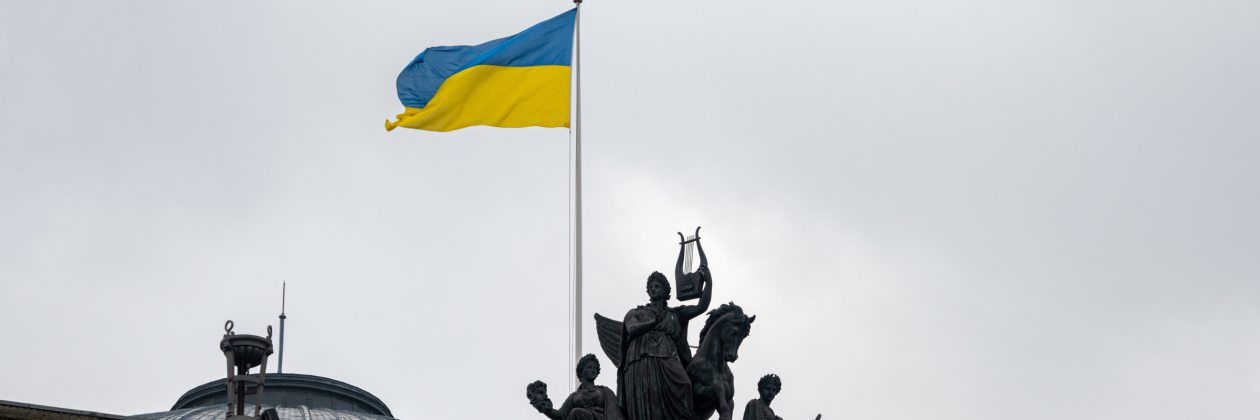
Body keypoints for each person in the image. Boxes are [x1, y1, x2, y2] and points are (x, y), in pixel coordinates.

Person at [620, 263, 713, 420]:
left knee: (685, 384)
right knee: (649, 394)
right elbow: (632, 329)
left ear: (665, 291)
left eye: (657, 286)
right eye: (651, 287)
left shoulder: (675, 314)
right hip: (641, 358)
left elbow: (701, 307)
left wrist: (708, 282)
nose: (653, 289)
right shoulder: (636, 312)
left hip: (667, 355)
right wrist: (652, 323)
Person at [529, 354, 623, 420]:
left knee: (576, 412)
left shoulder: (605, 391)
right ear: (581, 371)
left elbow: (617, 413)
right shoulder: (574, 397)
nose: (593, 370)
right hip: (578, 417)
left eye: (595, 368)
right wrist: (544, 406)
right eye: (589, 367)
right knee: (575, 413)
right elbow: (561, 416)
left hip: (600, 418)